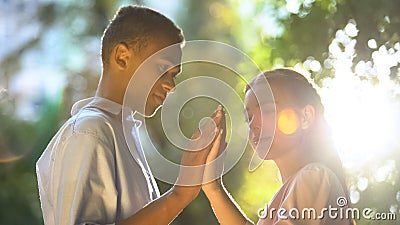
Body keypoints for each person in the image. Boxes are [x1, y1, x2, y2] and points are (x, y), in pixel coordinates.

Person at [36, 5, 224, 225]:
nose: (171, 86)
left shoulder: (123, 132)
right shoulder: (90, 132)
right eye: (162, 68)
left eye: (174, 75)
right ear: (122, 57)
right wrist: (180, 194)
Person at [203, 68, 354, 225]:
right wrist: (213, 187)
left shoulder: (313, 175)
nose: (254, 124)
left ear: (305, 117)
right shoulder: (296, 186)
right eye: (249, 117)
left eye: (268, 110)